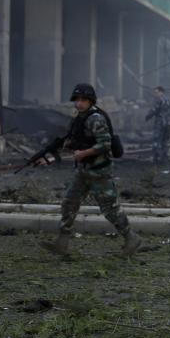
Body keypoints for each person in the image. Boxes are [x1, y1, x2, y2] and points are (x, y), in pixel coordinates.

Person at [38, 83, 141, 257]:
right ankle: (62, 243)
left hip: (98, 171)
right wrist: (57, 151)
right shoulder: (80, 117)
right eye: (77, 99)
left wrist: (83, 153)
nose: (79, 103)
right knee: (69, 203)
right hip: (84, 170)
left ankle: (131, 238)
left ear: (90, 100)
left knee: (110, 208)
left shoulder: (95, 118)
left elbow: (105, 144)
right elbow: (76, 140)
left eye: (83, 100)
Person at [145, 86, 170, 163]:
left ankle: (156, 157)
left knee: (156, 139)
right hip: (168, 123)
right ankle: (164, 157)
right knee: (165, 141)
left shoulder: (159, 100)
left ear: (161, 92)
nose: (155, 94)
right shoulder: (169, 100)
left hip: (160, 123)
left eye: (157, 92)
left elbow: (154, 110)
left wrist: (148, 116)